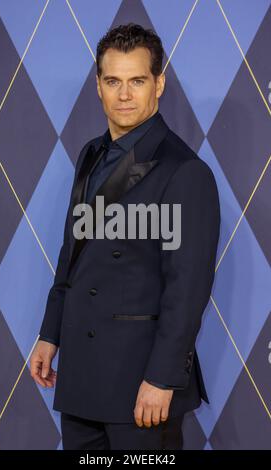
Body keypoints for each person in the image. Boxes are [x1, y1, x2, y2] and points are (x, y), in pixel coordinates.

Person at [30, 23, 220, 450]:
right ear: (98, 85)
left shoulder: (184, 171)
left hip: (141, 388)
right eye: (113, 81)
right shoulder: (89, 155)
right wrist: (50, 332)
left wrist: (162, 377)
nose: (124, 95)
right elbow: (72, 255)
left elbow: (187, 289)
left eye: (137, 81)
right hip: (81, 381)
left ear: (159, 84)